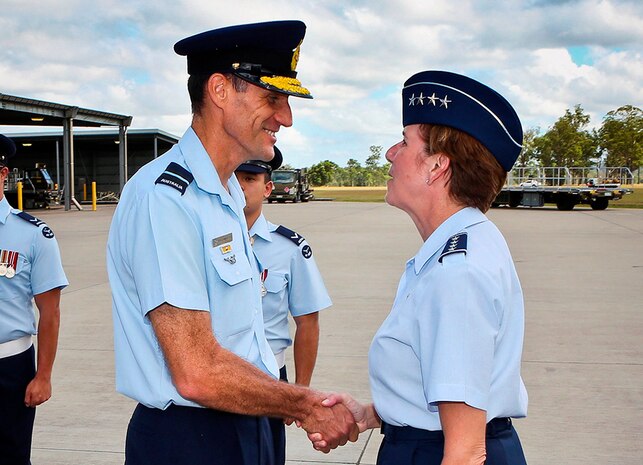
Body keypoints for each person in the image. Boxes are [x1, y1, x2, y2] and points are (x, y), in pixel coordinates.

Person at [106, 20, 356, 465]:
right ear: (220, 91)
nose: (286, 117)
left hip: (245, 421)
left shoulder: (224, 193)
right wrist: (304, 404)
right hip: (190, 439)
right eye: (272, 98)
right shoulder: (166, 200)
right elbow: (196, 371)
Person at [312, 70, 529, 465]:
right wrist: (375, 413)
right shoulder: (460, 246)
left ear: (437, 166)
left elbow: (466, 451)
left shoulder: (456, 272)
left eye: (405, 141)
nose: (390, 153)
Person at [235, 147, 332, 465]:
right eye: (232, 177)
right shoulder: (202, 241)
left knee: (265, 456)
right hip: (216, 374)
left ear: (267, 188)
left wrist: (300, 392)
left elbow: (308, 321)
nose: (239, 186)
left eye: (249, 178)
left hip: (268, 376)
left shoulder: (289, 248)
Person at [0, 134, 67, 465]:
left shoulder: (32, 235)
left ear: (2, 174)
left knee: (11, 455)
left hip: (9, 367)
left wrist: (43, 375)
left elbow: (50, 312)